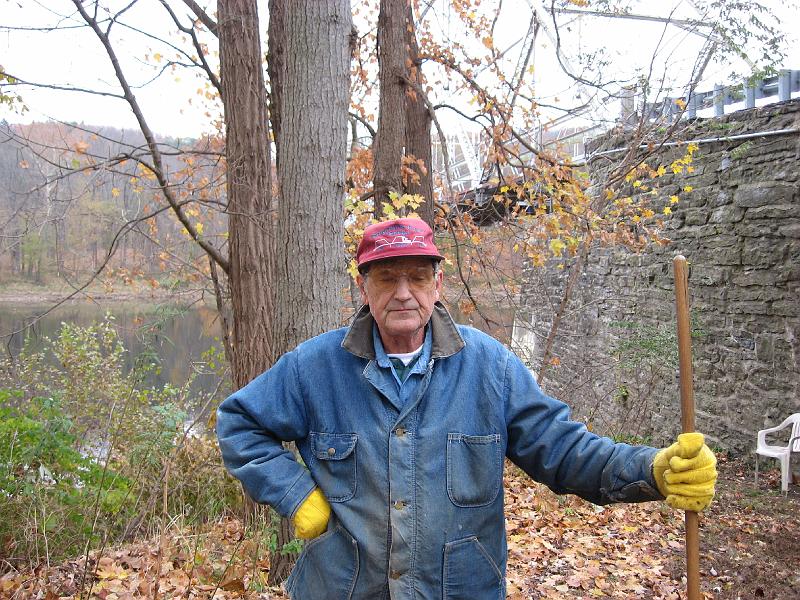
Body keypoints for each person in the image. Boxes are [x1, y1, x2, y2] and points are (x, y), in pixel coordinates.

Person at [216, 217, 717, 600]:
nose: (403, 293)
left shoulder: (491, 369)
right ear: (364, 288)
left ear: (438, 285)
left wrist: (652, 469)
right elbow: (239, 423)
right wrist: (297, 493)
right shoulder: (314, 368)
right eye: (387, 278)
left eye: (417, 277)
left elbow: (563, 450)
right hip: (340, 589)